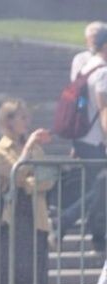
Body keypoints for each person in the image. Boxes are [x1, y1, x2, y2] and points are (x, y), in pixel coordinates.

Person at [0, 100, 54, 284]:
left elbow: (48, 178)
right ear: (8, 120)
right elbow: (14, 174)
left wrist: (28, 181)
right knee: (11, 266)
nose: (27, 122)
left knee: (33, 267)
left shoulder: (37, 149)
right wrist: (27, 161)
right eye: (22, 118)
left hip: (35, 214)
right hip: (11, 216)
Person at [58, 25, 107, 254]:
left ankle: (71, 223)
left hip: (83, 138)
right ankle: (88, 230)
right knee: (102, 186)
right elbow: (104, 110)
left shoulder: (87, 66)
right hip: (94, 140)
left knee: (99, 186)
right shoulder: (103, 71)